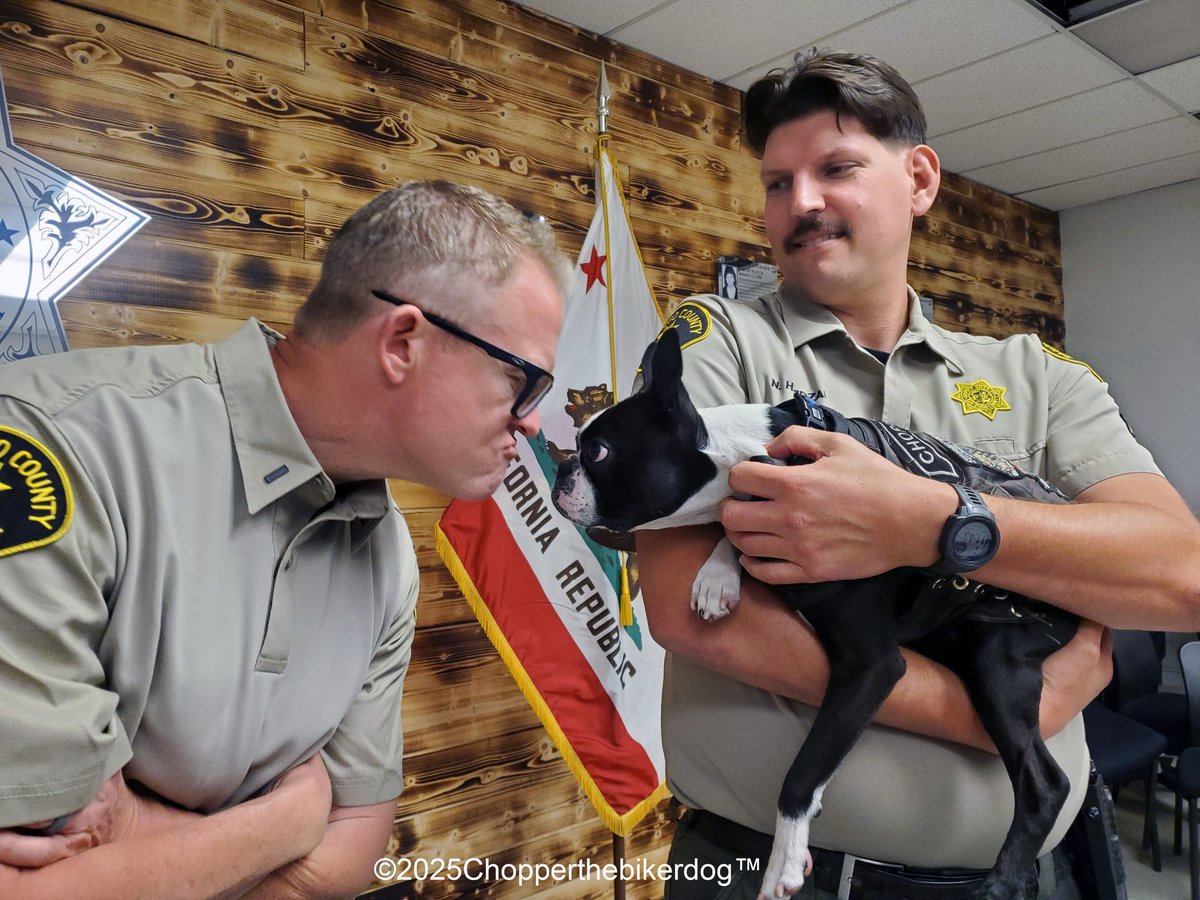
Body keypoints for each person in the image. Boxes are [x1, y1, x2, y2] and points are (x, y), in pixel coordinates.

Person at [636, 50, 1200, 899]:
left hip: (1030, 876)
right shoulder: (718, 345)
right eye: (777, 182)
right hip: (775, 873)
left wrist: (935, 521)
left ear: (921, 179)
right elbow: (687, 606)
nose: (802, 203)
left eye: (836, 169)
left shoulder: (1033, 374)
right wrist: (1006, 714)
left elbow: (1178, 574)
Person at [0, 180, 570, 897]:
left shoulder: (388, 552)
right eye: (523, 380)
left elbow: (354, 848)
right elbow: (35, 883)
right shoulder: (55, 447)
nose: (532, 424)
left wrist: (147, 838)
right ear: (403, 343)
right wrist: (295, 818)